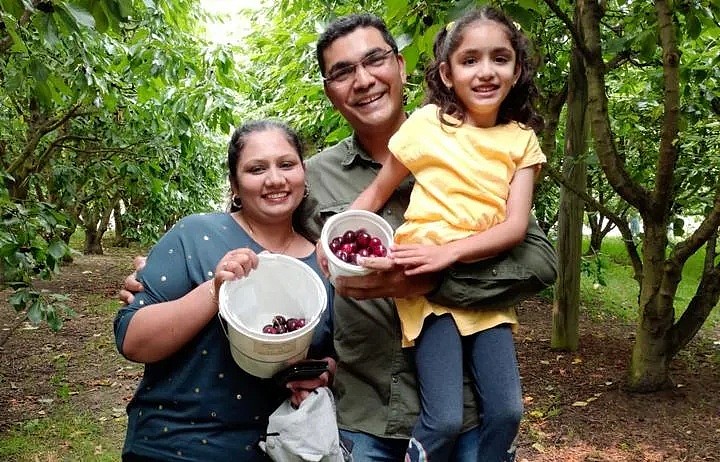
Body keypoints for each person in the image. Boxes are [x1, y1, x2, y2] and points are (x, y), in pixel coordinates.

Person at [121, 13, 557, 461]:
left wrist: (430, 281)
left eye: (375, 61)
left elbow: (539, 263)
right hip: (361, 417)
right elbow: (257, 233)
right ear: (330, 92)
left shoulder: (479, 149)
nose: (363, 80)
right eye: (343, 72)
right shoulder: (311, 180)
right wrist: (164, 278)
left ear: (402, 66)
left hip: (466, 413)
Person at [347, 7, 545, 460]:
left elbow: (515, 226)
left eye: (500, 58)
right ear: (447, 72)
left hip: (483, 288)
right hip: (424, 283)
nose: (486, 71)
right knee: (446, 419)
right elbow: (378, 191)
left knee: (507, 413)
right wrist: (335, 237)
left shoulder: (522, 141)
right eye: (470, 60)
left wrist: (450, 254)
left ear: (516, 71)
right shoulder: (426, 124)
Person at [113, 120, 336, 461]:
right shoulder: (195, 235)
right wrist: (216, 290)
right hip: (172, 445)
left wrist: (323, 374)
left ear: (304, 173)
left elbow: (334, 355)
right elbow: (132, 339)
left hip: (273, 448)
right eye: (256, 169)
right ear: (235, 183)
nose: (274, 179)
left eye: (286, 165)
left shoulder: (323, 263)